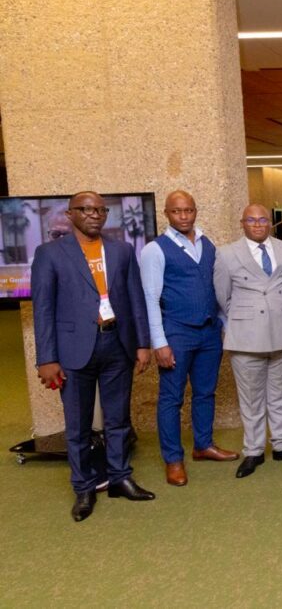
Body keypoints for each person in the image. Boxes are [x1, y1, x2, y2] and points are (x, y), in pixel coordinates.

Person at [31, 191, 155, 522]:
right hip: (73, 350)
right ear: (71, 214)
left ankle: (119, 477)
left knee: (118, 419)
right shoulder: (49, 254)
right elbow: (43, 310)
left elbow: (135, 299)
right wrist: (47, 359)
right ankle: (84, 487)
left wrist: (142, 343)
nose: (94, 215)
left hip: (117, 344)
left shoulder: (122, 251)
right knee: (78, 425)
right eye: (85, 209)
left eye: (100, 210)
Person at [140, 190, 237, 487]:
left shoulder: (208, 244)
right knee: (172, 398)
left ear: (195, 211)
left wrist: (222, 324)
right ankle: (173, 459)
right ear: (167, 214)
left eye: (188, 211)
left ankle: (202, 445)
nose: (183, 216)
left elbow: (216, 289)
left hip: (208, 332)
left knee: (206, 392)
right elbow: (150, 299)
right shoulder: (154, 250)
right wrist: (160, 343)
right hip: (176, 333)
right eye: (177, 211)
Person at [214, 203, 282, 479]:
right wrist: (245, 317)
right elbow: (222, 296)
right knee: (251, 400)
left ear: (271, 223)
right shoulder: (226, 253)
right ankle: (253, 451)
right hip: (246, 337)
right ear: (242, 223)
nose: (257, 224)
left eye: (263, 220)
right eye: (251, 220)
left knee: (279, 396)